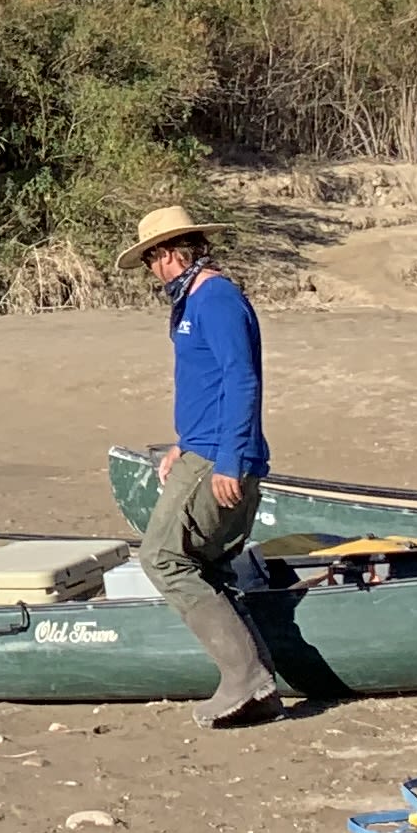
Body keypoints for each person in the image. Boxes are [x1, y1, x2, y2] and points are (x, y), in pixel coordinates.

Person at [131, 204, 285, 727]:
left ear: (172, 254)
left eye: (153, 260)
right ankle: (258, 689)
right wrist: (183, 443)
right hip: (203, 448)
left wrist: (228, 459)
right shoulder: (192, 301)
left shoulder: (216, 297)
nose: (152, 272)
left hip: (220, 455)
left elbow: (243, 381)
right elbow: (210, 384)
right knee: (206, 564)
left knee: (163, 558)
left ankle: (245, 678)